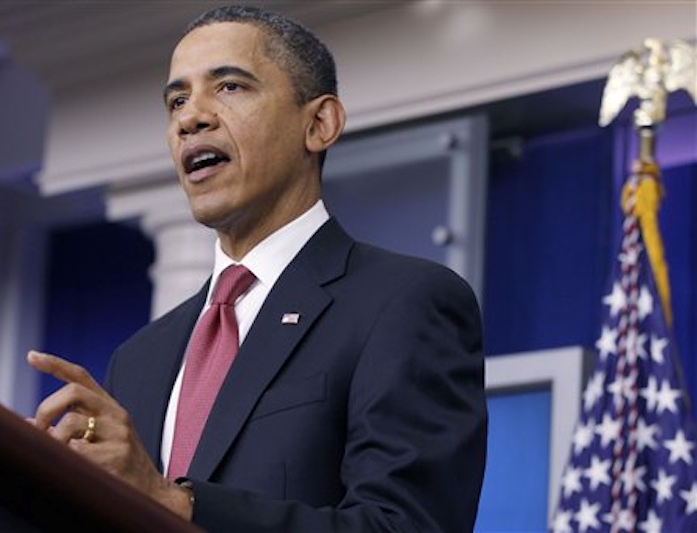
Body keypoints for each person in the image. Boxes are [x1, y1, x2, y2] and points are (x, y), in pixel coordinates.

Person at [29, 5, 487, 532]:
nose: (190, 117)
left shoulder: (404, 302)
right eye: (177, 100)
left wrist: (176, 502)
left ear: (319, 124)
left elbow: (406, 526)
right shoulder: (140, 358)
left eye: (229, 87)